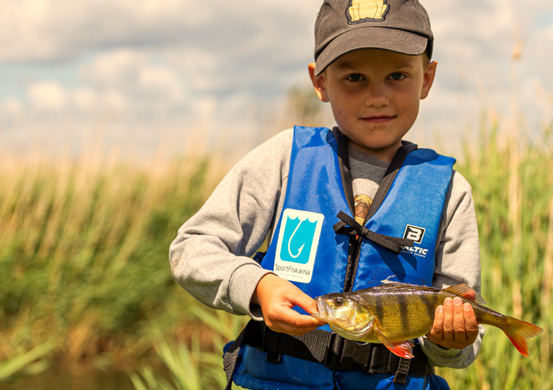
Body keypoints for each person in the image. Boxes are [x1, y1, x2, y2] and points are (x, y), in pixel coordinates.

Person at [169, 1, 483, 388]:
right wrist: (257, 286)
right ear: (319, 81)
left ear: (427, 79)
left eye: (397, 75)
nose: (377, 97)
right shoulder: (286, 157)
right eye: (354, 78)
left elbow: (462, 349)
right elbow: (191, 249)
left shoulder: (449, 191)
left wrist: (451, 341)